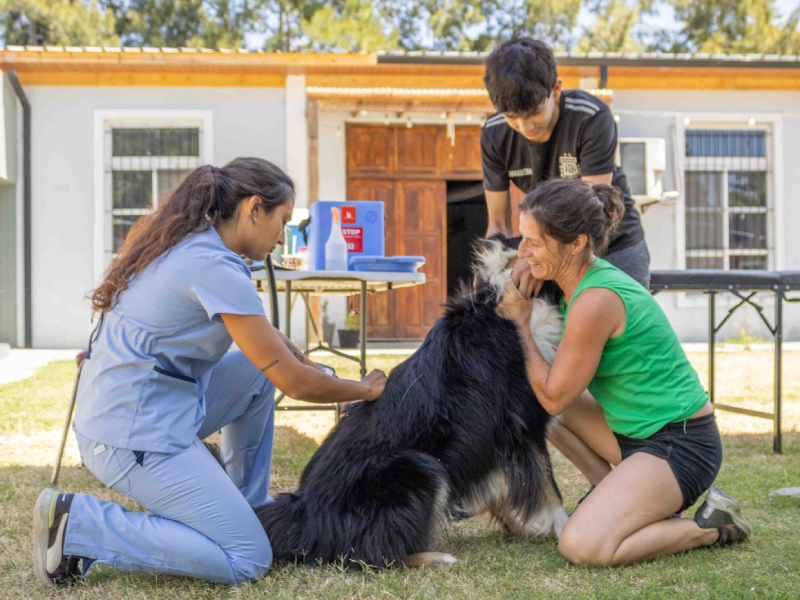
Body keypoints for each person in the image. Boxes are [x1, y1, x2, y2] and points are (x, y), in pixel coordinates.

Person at [32, 157, 387, 587]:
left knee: (255, 376)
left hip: (151, 405)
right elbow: (291, 381)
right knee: (247, 558)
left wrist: (327, 373)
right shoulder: (213, 266)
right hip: (130, 435)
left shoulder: (197, 247)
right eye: (283, 220)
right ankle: (79, 525)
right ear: (255, 208)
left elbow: (271, 344)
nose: (283, 235)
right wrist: (363, 390)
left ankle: (246, 508)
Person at [497, 178, 751, 566]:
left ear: (577, 242)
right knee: (538, 404)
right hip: (634, 435)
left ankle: (711, 526)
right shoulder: (577, 280)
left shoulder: (595, 300)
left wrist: (520, 323)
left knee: (581, 546)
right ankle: (611, 494)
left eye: (534, 242)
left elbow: (554, 394)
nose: (522, 251)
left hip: (679, 446)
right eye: (522, 238)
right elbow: (548, 398)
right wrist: (534, 263)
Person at [481, 37, 651, 289]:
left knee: (620, 325)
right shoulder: (494, 135)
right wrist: (487, 274)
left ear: (556, 89)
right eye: (512, 117)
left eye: (533, 114)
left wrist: (537, 258)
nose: (524, 127)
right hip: (551, 249)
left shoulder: (591, 117)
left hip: (611, 243)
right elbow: (498, 224)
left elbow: (591, 214)